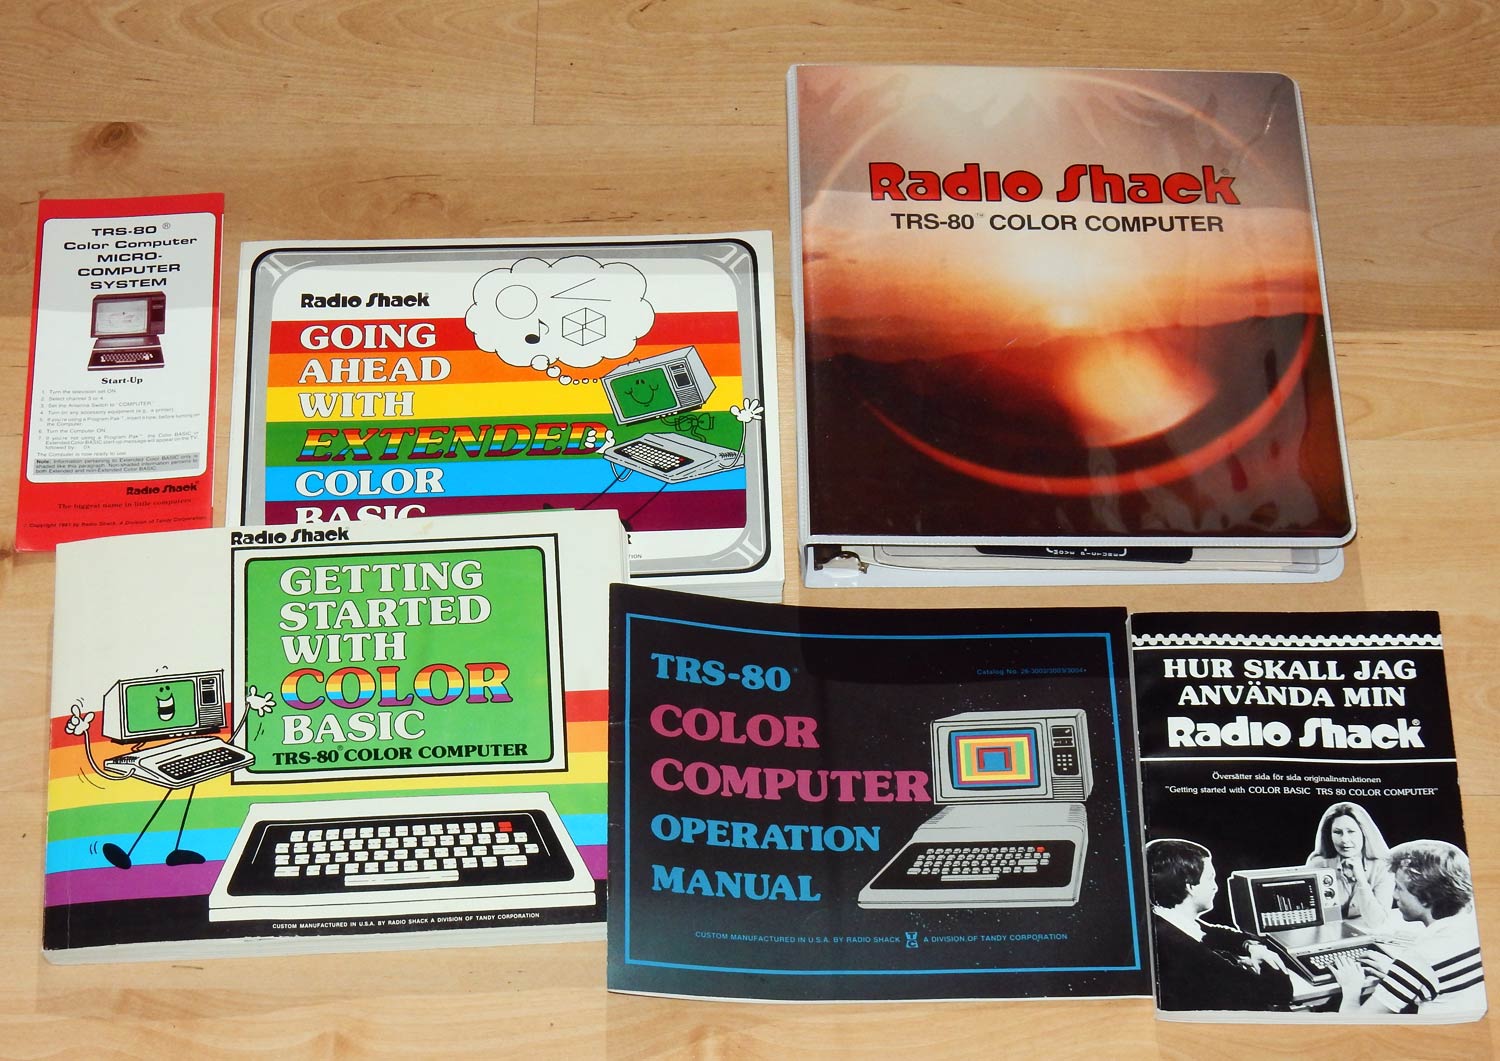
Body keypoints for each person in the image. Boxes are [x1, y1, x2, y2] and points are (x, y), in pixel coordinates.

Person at [1332, 840, 1485, 1016]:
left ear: (1426, 896)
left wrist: (1351, 990)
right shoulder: (1477, 928)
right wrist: (1400, 975)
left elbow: (1358, 1024)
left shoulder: (1421, 956)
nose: (1394, 895)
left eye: (1399, 888)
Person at [1146, 838, 1293, 1011]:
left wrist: (1251, 946)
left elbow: (1212, 932)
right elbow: (1279, 992)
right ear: (1190, 886)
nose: (1215, 887)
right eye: (1210, 879)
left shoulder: (1161, 921)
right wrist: (1268, 960)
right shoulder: (1191, 954)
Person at [1306, 801, 1394, 927]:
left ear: (1364, 833)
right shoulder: (1317, 865)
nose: (1344, 840)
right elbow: (1320, 917)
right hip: (1330, 931)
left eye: (1351, 831)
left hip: (1368, 931)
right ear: (1329, 835)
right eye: (1337, 832)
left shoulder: (1382, 867)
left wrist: (1361, 880)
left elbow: (1376, 922)